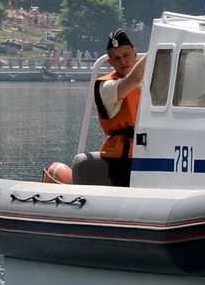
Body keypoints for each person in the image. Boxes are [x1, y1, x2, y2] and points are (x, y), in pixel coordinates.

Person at [50, 29, 145, 187]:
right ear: (110, 63)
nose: (123, 61)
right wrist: (158, 47)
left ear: (135, 54)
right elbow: (133, 79)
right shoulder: (106, 86)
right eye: (117, 58)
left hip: (150, 151)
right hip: (122, 160)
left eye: (126, 55)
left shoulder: (150, 80)